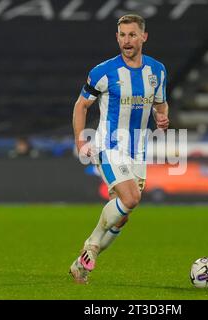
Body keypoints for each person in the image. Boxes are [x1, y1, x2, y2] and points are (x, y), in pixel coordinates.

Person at [69, 14, 170, 284]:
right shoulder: (103, 71)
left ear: (143, 37)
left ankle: (81, 263)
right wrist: (80, 139)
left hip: (138, 151)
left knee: (122, 218)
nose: (127, 40)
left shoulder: (156, 71)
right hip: (109, 146)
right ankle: (90, 245)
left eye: (132, 35)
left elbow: (161, 105)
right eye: (122, 35)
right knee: (131, 199)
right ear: (117, 37)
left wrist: (162, 117)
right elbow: (81, 105)